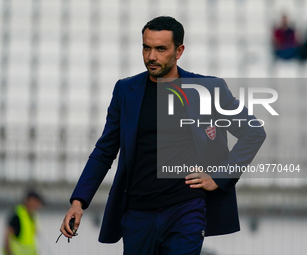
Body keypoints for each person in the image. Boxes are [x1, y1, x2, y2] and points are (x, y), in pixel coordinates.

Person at [60, 16, 266, 254]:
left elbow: (253, 131)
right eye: (146, 48)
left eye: (160, 49)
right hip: (137, 213)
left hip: (186, 209)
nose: (151, 56)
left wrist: (220, 176)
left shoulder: (208, 90)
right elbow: (105, 150)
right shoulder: (126, 91)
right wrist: (78, 202)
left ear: (179, 51)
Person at [3, 190, 44, 255]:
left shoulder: (33, 217)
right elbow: (7, 239)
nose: (37, 205)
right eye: (35, 202)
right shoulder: (17, 216)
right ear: (28, 201)